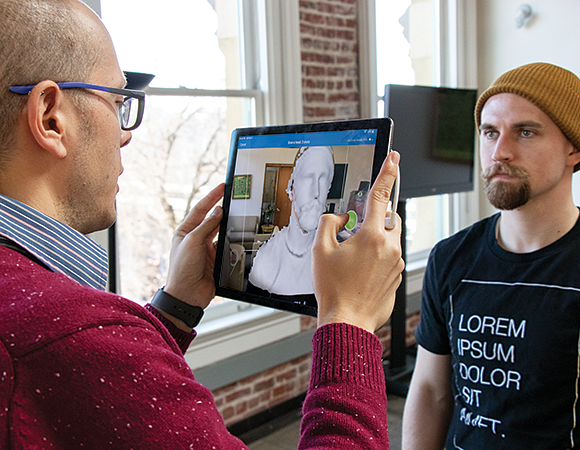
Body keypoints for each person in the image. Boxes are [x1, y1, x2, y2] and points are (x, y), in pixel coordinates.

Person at [0, 1, 405, 448]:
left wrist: (175, 308)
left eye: (324, 181)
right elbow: (95, 363)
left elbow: (100, 412)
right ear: (50, 117)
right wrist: (349, 323)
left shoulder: (48, 324)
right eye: (119, 102)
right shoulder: (73, 333)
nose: (126, 132)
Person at [401, 62, 580, 449]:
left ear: (574, 148)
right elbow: (430, 390)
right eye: (490, 132)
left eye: (525, 132)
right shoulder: (450, 258)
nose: (500, 151)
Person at [248, 146, 334, 296]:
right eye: (308, 178)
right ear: (291, 189)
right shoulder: (266, 258)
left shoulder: (333, 260)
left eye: (323, 179)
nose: (316, 193)